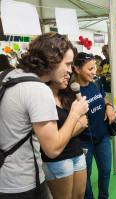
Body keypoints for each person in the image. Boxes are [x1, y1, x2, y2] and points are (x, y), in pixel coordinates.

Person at [0, 32, 89, 199]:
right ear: (52, 59)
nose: (70, 70)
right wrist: (75, 114)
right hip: (22, 184)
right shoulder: (38, 89)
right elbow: (53, 149)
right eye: (68, 64)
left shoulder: (7, 75)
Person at [73, 52, 115, 199]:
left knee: (105, 171)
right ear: (77, 69)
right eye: (90, 69)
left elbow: (103, 98)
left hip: (102, 137)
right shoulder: (72, 91)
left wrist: (109, 106)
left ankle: (104, 197)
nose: (94, 72)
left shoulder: (96, 82)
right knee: (86, 175)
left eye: (94, 68)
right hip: (84, 141)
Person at [41, 75, 88, 199]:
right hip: (57, 160)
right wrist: (76, 122)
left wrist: (61, 135)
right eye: (65, 66)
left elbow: (85, 121)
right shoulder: (42, 100)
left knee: (79, 195)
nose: (68, 74)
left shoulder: (68, 94)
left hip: (77, 153)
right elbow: (51, 143)